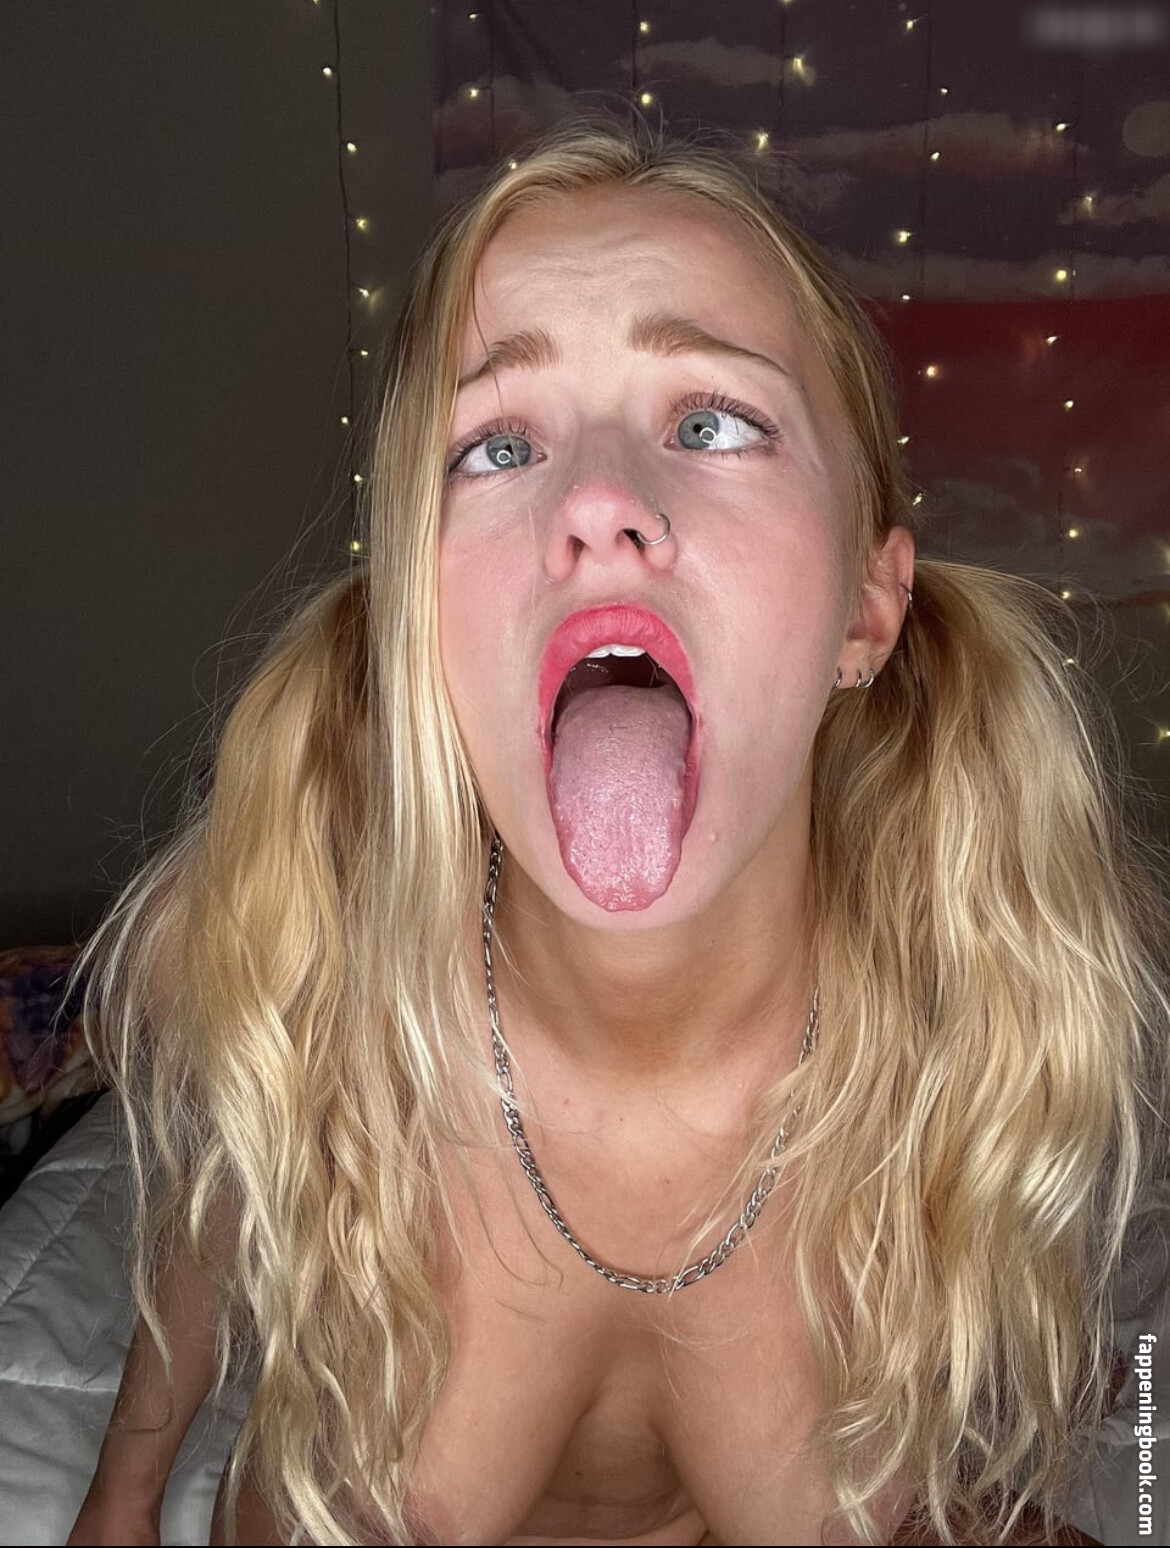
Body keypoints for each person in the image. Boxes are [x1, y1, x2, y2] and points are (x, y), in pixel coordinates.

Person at [65, 117, 1168, 1546]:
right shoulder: (318, 960)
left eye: (711, 421)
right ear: (414, 624)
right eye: (496, 443)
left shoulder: (972, 1013)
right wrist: (122, 1496)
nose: (596, 500)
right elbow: (216, 1202)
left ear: (865, 608)